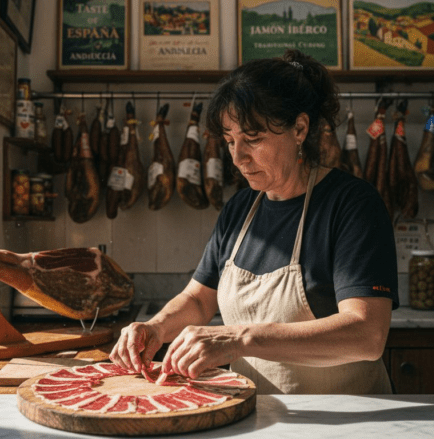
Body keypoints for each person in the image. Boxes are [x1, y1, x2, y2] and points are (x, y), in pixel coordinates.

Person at [110, 50, 399, 394]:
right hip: (258, 415)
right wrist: (156, 328)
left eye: (253, 139)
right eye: (230, 141)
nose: (238, 157)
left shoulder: (352, 205)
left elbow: (366, 335)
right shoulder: (240, 209)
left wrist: (238, 338)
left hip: (352, 419)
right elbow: (200, 300)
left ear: (300, 128)